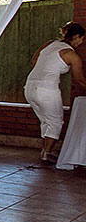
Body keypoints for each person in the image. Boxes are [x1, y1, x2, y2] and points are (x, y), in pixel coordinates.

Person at [24, 22, 86, 162]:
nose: (81, 42)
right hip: (47, 89)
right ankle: (47, 153)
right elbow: (80, 81)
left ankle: (44, 151)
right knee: (56, 122)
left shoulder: (50, 44)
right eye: (81, 39)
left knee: (46, 121)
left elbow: (34, 61)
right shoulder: (71, 54)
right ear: (76, 37)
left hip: (29, 86)